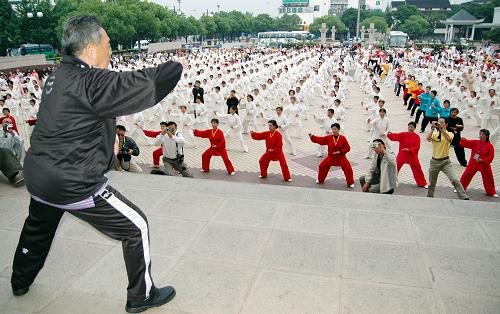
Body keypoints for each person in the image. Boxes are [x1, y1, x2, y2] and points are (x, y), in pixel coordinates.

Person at [12, 16, 183, 312]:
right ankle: (141, 296)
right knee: (136, 226)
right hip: (70, 181)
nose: (111, 49)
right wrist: (176, 63)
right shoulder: (91, 80)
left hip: (39, 175)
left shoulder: (57, 76)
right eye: (107, 43)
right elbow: (148, 82)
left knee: (37, 229)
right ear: (91, 49)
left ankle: (19, 280)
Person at [426, 118, 469, 200]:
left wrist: (441, 130)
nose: (439, 123)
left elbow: (449, 139)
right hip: (434, 162)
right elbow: (428, 139)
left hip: (446, 162)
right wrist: (432, 129)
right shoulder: (434, 133)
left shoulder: (450, 133)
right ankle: (430, 197)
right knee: (432, 183)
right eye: (439, 122)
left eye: (442, 122)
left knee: (455, 179)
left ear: (446, 124)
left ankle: (463, 197)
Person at [309, 123, 354, 187]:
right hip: (331, 158)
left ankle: (350, 183)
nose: (333, 130)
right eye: (332, 129)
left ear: (338, 129)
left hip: (341, 157)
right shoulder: (329, 137)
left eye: (335, 129)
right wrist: (312, 137)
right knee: (322, 166)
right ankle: (320, 180)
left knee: (348, 169)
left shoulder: (342, 138)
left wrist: (340, 152)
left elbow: (348, 147)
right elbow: (321, 140)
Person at [387, 122, 427, 188]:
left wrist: (409, 150)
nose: (410, 128)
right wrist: (390, 134)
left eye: (412, 127)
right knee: (395, 166)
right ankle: (391, 181)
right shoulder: (403, 134)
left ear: (414, 128)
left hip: (412, 155)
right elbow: (395, 136)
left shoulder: (417, 137)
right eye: (409, 127)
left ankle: (422, 183)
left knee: (417, 168)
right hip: (403, 154)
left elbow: (417, 146)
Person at [460, 129, 497, 197]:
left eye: (483, 134)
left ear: (487, 136)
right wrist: (463, 140)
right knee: (466, 175)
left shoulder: (490, 146)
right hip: (473, 163)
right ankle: (460, 188)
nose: (481, 135)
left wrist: (482, 160)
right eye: (480, 134)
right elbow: (467, 143)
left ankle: (491, 192)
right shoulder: (476, 142)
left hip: (484, 164)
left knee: (488, 177)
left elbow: (491, 156)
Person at [0, 118, 24, 187]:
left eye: (10, 122)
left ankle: (16, 175)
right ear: (2, 124)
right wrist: (4, 133)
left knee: (8, 153)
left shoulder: (13, 133)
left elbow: (21, 143)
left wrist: (13, 134)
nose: (8, 124)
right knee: (4, 150)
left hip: (9, 159)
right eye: (6, 122)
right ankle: (16, 174)